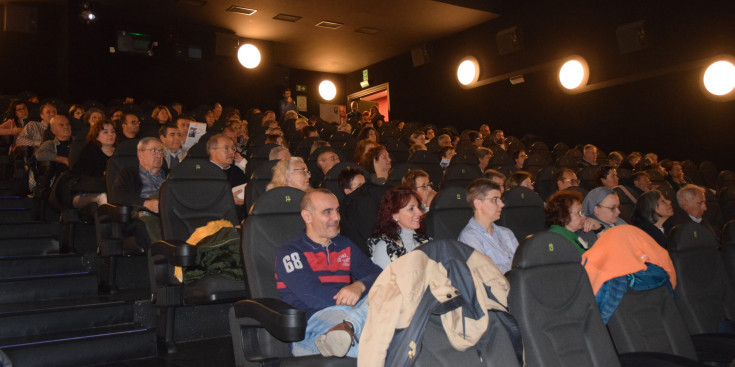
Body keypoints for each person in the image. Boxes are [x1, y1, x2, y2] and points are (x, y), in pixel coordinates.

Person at [275, 189, 382, 358]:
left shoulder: (343, 244)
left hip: (346, 317)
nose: (337, 217)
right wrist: (357, 300)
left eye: (337, 210)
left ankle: (350, 325)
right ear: (307, 216)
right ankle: (348, 328)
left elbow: (377, 274)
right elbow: (314, 296)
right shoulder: (290, 253)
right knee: (383, 341)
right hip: (310, 327)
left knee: (389, 292)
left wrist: (359, 286)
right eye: (327, 212)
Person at [110, 137, 167, 247]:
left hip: (168, 212)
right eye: (154, 151)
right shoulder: (128, 174)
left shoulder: (171, 174)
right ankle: (162, 254)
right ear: (140, 154)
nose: (159, 155)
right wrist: (146, 203)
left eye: (161, 151)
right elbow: (117, 195)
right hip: (142, 213)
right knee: (147, 220)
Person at [458, 178, 519, 274]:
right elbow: (485, 274)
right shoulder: (469, 237)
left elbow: (522, 264)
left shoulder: (506, 233)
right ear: (478, 204)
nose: (502, 204)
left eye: (500, 199)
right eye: (495, 200)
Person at [367, 187, 431, 269]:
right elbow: (386, 281)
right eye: (411, 208)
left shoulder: (425, 240)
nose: (419, 212)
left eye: (418, 207)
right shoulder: (385, 248)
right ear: (394, 215)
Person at [70, 120, 117, 208]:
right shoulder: (89, 152)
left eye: (113, 131)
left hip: (113, 190)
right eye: (105, 132)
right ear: (96, 136)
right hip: (88, 192)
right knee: (104, 197)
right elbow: (82, 178)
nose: (110, 134)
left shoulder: (120, 152)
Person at [207, 134, 246, 206]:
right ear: (212, 151)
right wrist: (227, 199)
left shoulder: (237, 171)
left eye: (232, 148)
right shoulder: (203, 173)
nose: (231, 152)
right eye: (226, 148)